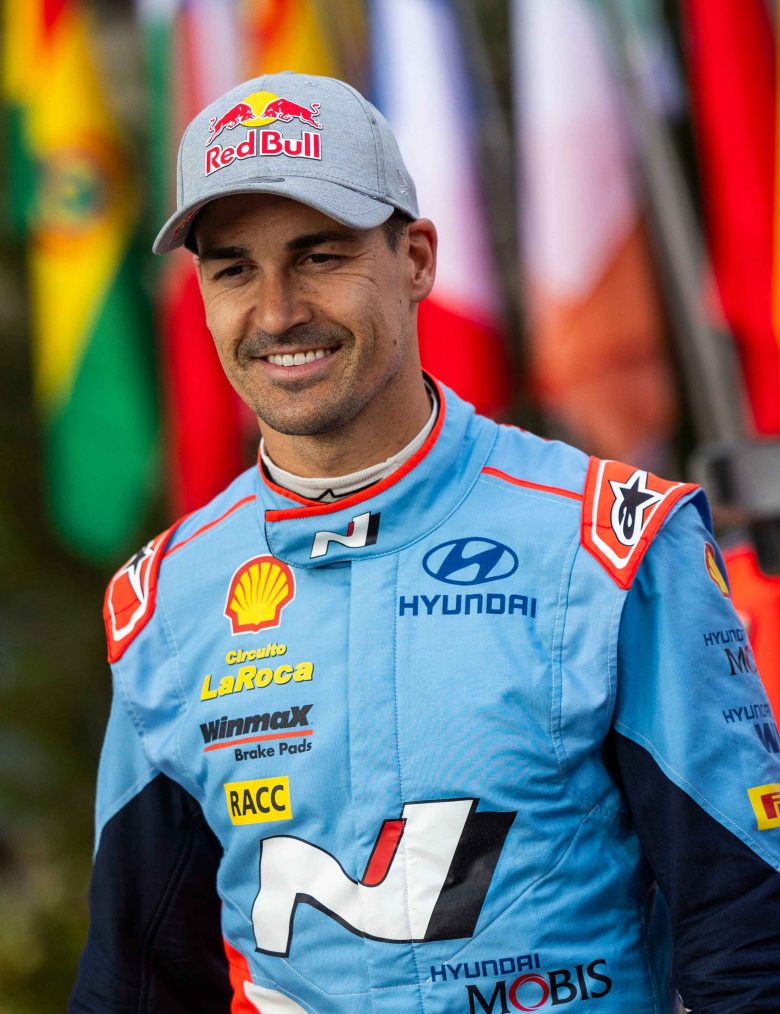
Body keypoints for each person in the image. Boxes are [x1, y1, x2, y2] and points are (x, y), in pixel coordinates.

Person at [70, 72, 780, 1014]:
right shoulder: (163, 602)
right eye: (234, 269)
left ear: (415, 259)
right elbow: (136, 982)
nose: (276, 312)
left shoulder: (612, 545)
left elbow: (751, 942)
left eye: (320, 256)